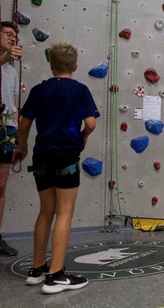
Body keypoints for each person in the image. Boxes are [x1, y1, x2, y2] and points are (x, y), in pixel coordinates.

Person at [12, 43, 100, 293]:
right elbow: (91, 123)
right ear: (75, 67)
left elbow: (25, 123)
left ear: (51, 65)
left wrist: (23, 147)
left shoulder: (40, 90)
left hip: (41, 156)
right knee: (64, 212)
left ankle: (37, 268)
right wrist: (84, 135)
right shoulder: (80, 90)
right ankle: (56, 275)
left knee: (45, 212)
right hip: (65, 156)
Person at [0, 21, 23, 257]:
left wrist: (17, 132)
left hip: (6, 130)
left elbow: (14, 103)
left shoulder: (12, 70)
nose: (12, 38)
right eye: (7, 34)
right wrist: (6, 55)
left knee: (1, 185)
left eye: (14, 36)